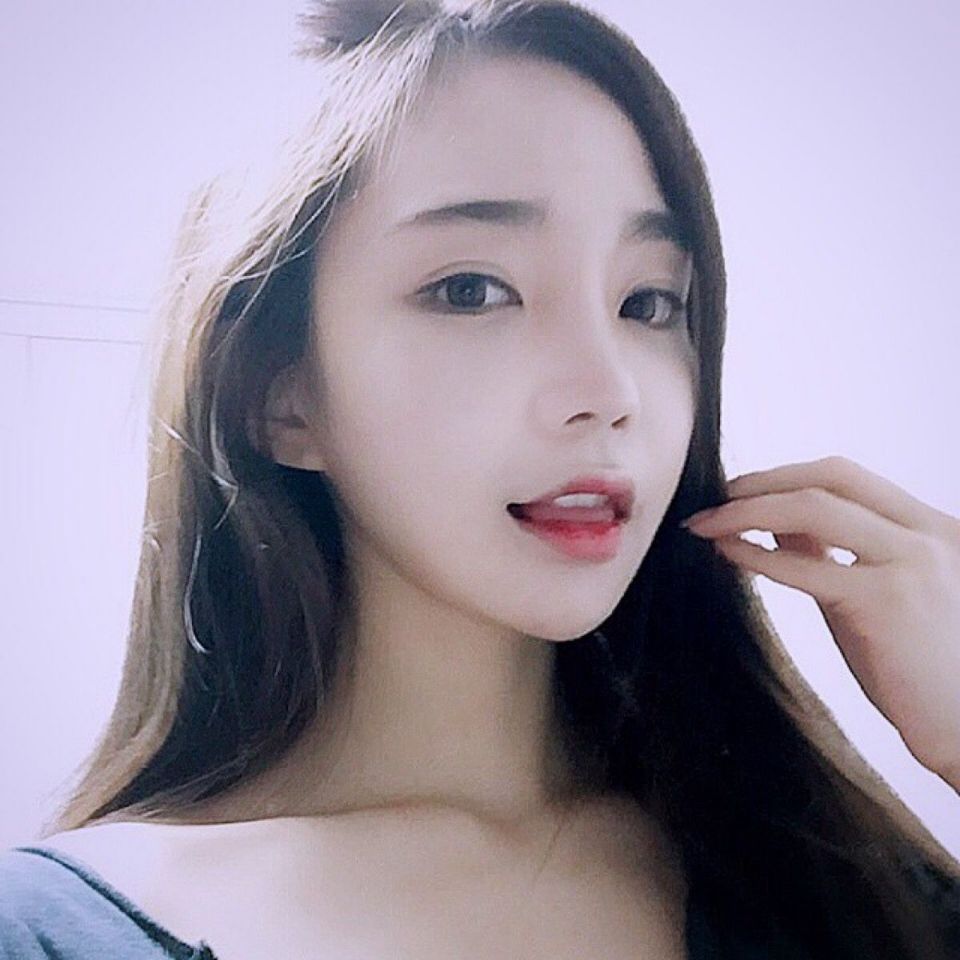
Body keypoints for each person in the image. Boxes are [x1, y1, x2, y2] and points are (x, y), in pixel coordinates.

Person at [2, 0, 959, 957]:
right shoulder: (57, 930)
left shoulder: (839, 882)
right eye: (473, 291)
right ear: (280, 398)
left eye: (648, 302)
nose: (609, 392)